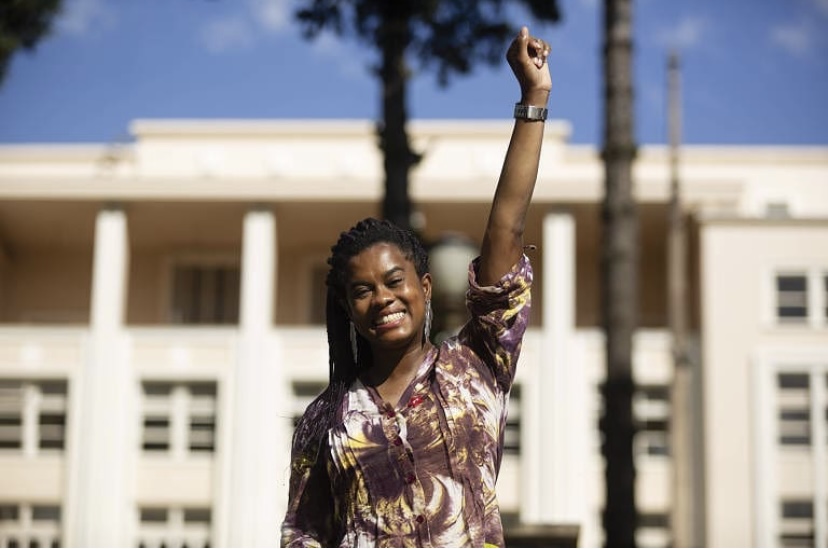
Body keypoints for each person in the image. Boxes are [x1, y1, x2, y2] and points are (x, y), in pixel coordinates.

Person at [281, 25, 551, 548]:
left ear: (425, 287)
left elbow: (506, 230)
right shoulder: (327, 419)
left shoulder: (477, 365)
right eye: (361, 291)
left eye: (393, 280)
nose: (381, 297)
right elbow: (304, 534)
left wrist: (532, 99)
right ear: (348, 309)